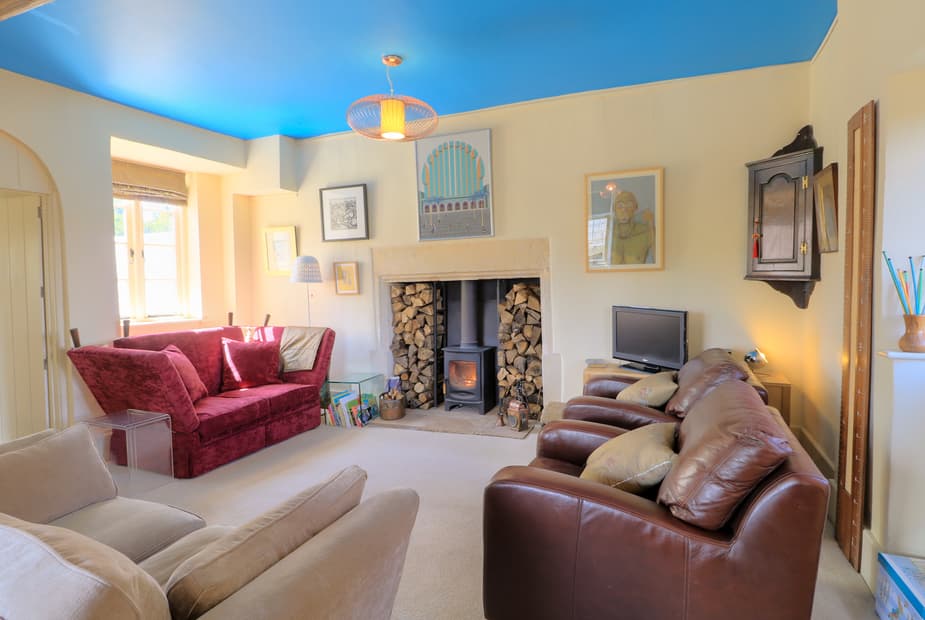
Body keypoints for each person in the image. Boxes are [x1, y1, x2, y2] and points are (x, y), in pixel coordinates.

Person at [610, 190, 654, 264]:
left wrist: (651, 224)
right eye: (620, 206)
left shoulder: (646, 232)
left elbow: (660, 261)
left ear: (635, 208)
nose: (624, 210)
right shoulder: (607, 234)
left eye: (629, 205)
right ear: (614, 209)